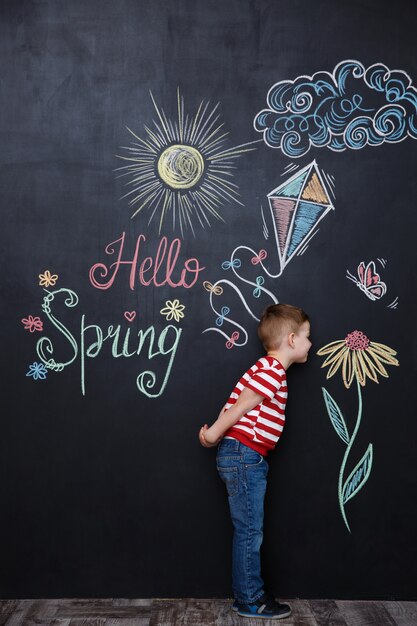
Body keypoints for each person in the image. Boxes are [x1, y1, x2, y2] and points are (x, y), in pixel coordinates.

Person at [199, 303, 311, 620]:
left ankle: (246, 594)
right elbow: (244, 403)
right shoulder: (273, 370)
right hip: (245, 456)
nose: (310, 344)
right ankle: (250, 598)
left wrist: (217, 432)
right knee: (250, 531)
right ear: (291, 339)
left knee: (248, 529)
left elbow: (233, 402)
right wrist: (214, 434)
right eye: (307, 336)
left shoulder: (262, 368)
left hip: (243, 455)